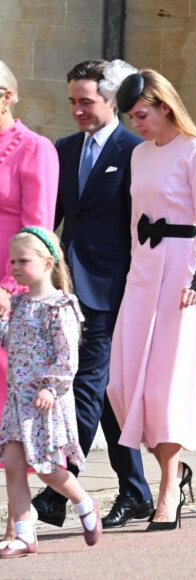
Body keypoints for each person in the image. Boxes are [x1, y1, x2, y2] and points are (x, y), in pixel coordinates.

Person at [106, 64, 196, 531]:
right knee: (121, 385)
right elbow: (136, 217)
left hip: (183, 272)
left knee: (164, 389)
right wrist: (136, 273)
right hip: (144, 272)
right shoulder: (139, 156)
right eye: (130, 118)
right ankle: (173, 473)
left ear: (164, 105)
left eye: (142, 114)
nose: (137, 124)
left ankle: (166, 494)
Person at [32, 60, 154, 530]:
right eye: (72, 102)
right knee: (101, 395)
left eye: (87, 101)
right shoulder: (63, 150)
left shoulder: (134, 151)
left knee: (83, 388)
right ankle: (136, 491)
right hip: (66, 291)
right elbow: (53, 219)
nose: (78, 110)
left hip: (110, 291)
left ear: (112, 102)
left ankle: (59, 487)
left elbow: (140, 228)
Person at [0, 227, 102, 558]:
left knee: (45, 468)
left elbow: (67, 356)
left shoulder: (60, 306)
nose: (15, 267)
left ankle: (85, 502)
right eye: (12, 260)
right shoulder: (17, 305)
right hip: (17, 403)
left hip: (43, 404)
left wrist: (51, 386)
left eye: (23, 260)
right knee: (13, 465)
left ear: (46, 263)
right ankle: (25, 535)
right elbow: (11, 341)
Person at [0, 60, 59, 546]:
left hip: (9, 296)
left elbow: (37, 233)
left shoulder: (34, 149)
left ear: (6, 96)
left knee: (7, 410)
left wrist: (8, 286)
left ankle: (19, 520)